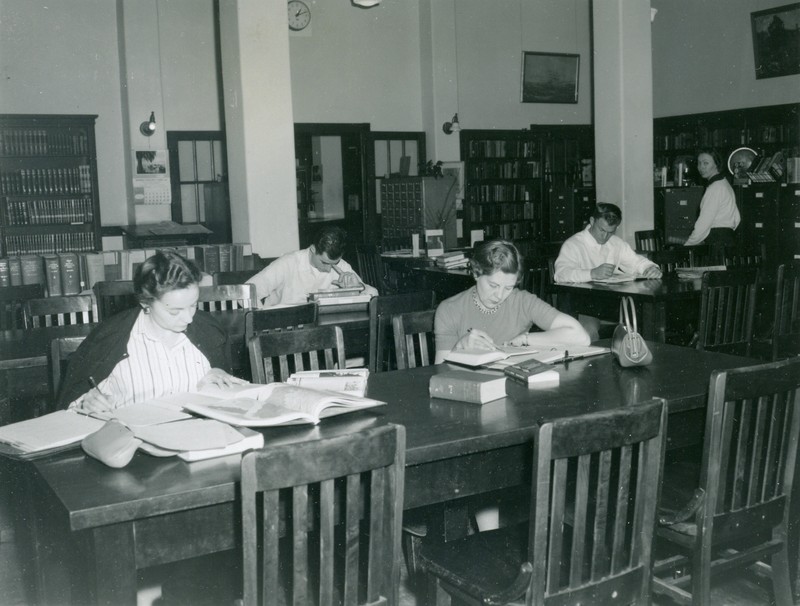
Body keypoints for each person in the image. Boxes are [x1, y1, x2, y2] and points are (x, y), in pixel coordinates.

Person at [59, 251, 243, 412]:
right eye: (174, 311)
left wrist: (218, 374)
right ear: (145, 302)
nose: (189, 318)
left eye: (193, 305)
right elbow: (70, 404)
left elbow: (224, 390)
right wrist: (85, 403)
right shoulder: (110, 338)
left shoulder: (208, 330)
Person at [434, 239, 590, 364]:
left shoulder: (523, 301)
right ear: (476, 273)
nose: (499, 295)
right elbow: (440, 373)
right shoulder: (449, 309)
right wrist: (459, 347)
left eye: (508, 287)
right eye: (493, 285)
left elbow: (581, 337)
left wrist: (526, 340)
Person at [246, 226, 378, 308]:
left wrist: (359, 288)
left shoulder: (342, 266)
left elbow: (374, 296)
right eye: (324, 263)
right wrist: (262, 320)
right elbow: (247, 293)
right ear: (313, 249)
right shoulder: (289, 263)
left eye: (334, 263)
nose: (328, 270)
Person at [553, 202, 662, 283]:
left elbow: (635, 261)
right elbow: (560, 274)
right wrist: (592, 273)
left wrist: (650, 268)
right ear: (592, 221)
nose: (605, 237)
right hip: (579, 299)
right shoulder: (573, 244)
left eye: (611, 232)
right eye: (602, 230)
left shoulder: (616, 243)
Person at [683, 148, 740, 247]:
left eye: (706, 163)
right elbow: (737, 218)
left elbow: (703, 224)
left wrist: (687, 245)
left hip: (716, 243)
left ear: (716, 164)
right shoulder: (724, 183)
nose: (701, 167)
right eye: (699, 163)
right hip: (727, 240)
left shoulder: (714, 188)